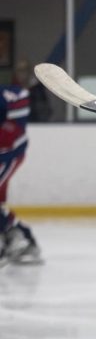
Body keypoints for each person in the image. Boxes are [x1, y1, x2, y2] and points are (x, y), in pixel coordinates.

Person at [0, 81, 41, 265]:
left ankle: (21, 238)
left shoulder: (10, 95)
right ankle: (18, 237)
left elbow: (12, 133)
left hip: (7, 155)